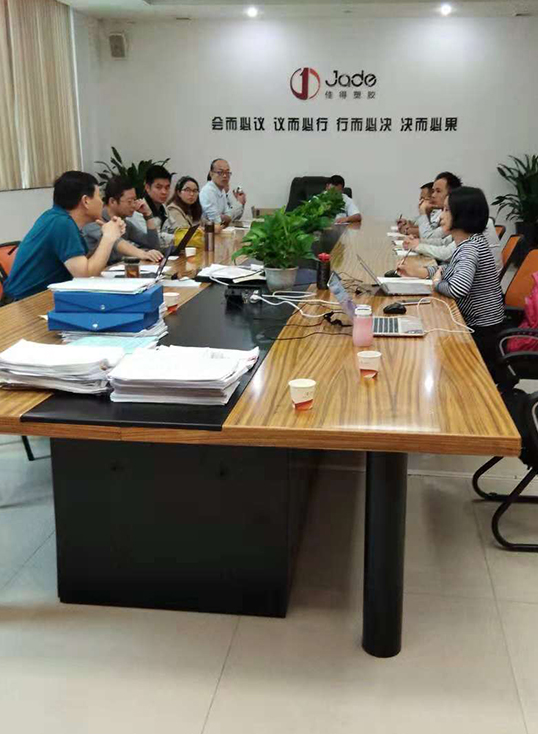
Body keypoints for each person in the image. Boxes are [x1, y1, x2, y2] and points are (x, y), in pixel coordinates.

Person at [397, 186, 505, 379]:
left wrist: (436, 283)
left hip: (480, 331)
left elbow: (457, 288)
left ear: (462, 215)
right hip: (477, 324)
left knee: (426, 350)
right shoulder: (469, 242)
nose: (440, 216)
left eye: (446, 210)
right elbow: (451, 271)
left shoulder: (470, 248)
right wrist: (421, 272)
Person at [4, 171, 125, 301]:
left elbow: (84, 264)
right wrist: (108, 238)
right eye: (99, 197)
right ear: (85, 201)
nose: (102, 202)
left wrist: (105, 237)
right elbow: (85, 276)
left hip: (39, 298)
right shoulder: (61, 224)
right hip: (22, 304)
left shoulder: (57, 218)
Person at [403, 171, 501, 270]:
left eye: (438, 191)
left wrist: (417, 246)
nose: (433, 195)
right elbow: (444, 242)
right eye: (433, 191)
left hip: (477, 277)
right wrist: (418, 242)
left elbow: (447, 254)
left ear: (451, 195)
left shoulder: (472, 221)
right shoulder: (452, 217)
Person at [82, 176, 163, 264]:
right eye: (129, 201)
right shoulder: (95, 221)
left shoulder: (125, 223)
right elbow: (115, 241)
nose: (134, 205)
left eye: (135, 200)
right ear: (112, 201)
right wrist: (143, 254)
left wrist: (148, 215)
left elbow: (153, 245)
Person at [129, 164, 175, 250]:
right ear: (147, 187)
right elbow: (152, 240)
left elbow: (173, 230)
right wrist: (178, 237)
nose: (164, 192)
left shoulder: (163, 208)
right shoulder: (139, 209)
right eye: (159, 187)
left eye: (167, 187)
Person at [199, 159, 247, 232]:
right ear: (211, 174)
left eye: (227, 172)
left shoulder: (221, 190)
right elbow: (216, 222)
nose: (225, 176)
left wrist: (224, 218)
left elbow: (228, 216)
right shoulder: (208, 191)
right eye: (220, 172)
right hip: (208, 235)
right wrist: (223, 219)